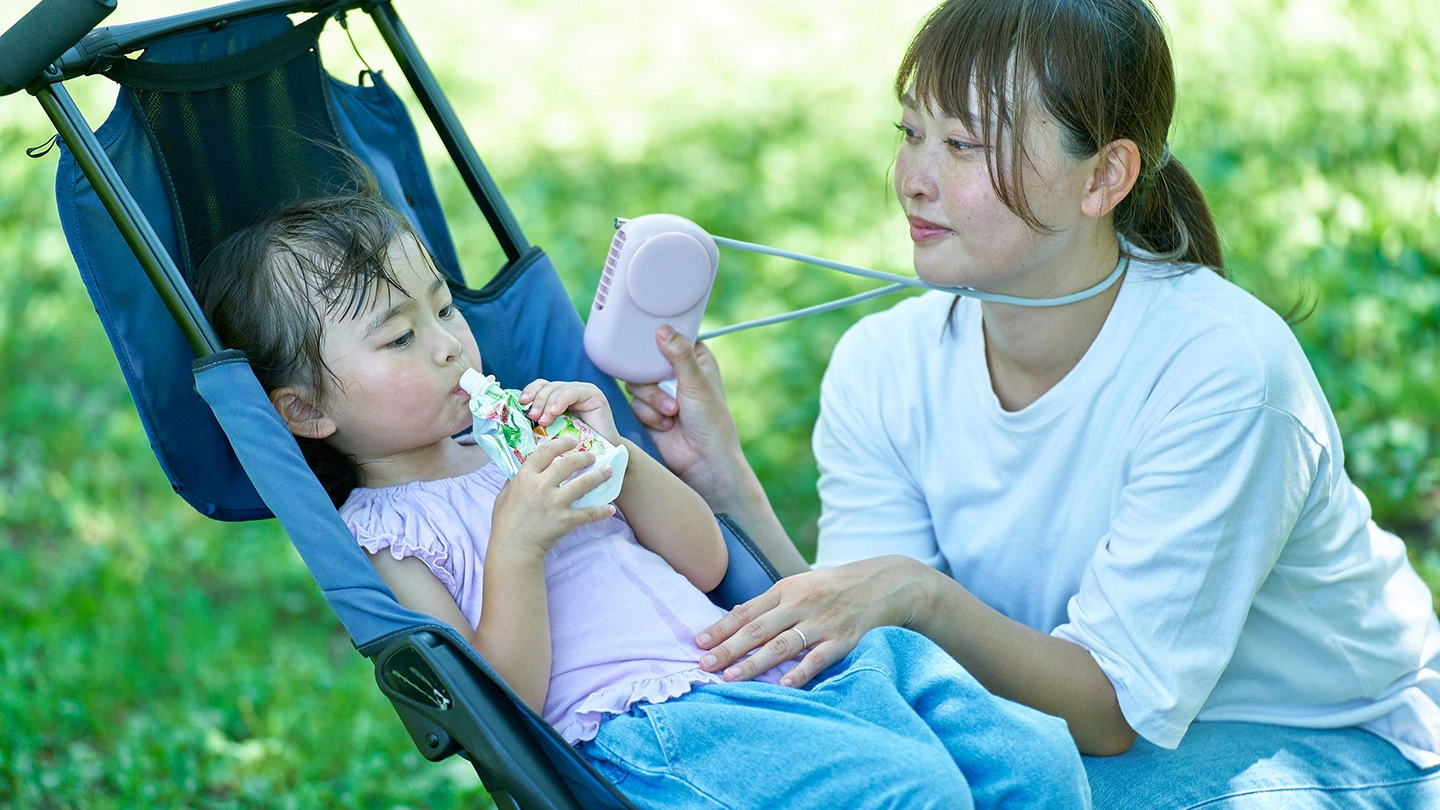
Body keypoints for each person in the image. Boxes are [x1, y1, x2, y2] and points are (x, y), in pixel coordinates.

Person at [624, 0, 1440, 807]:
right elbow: (876, 649)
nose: (916, 179)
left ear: (1105, 177)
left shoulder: (1221, 371)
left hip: (1335, 739)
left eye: (964, 145)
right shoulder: (882, 364)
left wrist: (919, 592)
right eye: (911, 133)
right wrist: (727, 485)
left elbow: (1113, 709)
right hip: (1061, 727)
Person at [189, 186, 1091, 810]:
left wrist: (619, 456)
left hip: (749, 665)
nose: (447, 347)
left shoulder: (520, 446)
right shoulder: (386, 535)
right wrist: (517, 543)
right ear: (303, 411)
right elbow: (500, 707)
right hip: (656, 734)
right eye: (397, 337)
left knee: (1029, 756)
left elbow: (703, 561)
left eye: (444, 309)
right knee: (911, 794)